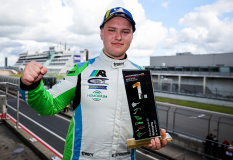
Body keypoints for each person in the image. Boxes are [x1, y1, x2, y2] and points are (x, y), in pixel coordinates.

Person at [19, 7, 167, 160]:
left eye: (125, 31)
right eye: (111, 30)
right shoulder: (82, 70)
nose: (118, 37)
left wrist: (153, 139)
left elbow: (145, 128)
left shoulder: (140, 74)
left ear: (131, 36)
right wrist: (31, 84)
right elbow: (47, 106)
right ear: (101, 33)